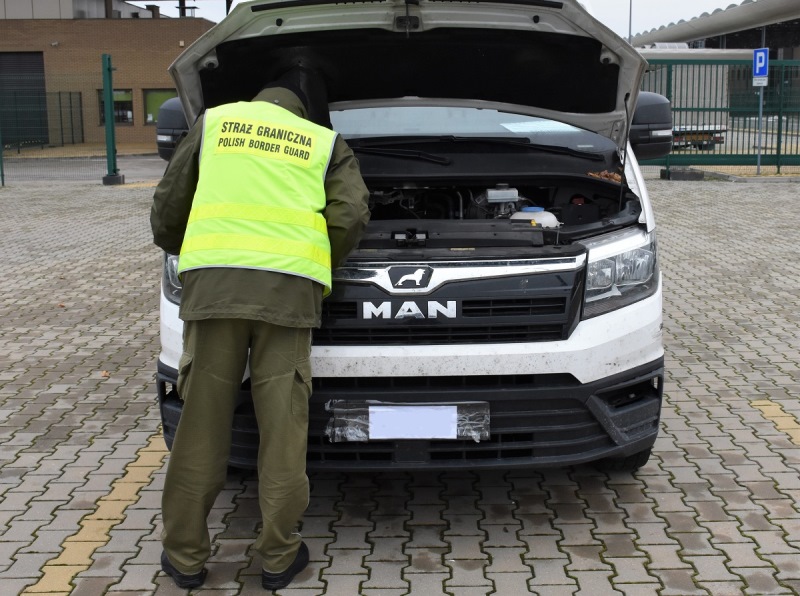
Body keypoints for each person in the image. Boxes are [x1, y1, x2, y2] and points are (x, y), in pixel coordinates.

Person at [150, 66, 370, 591]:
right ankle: (278, 557)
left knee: (201, 427)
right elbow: (351, 214)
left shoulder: (214, 123)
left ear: (257, 99)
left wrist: (197, 251)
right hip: (287, 295)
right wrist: (314, 264)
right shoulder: (323, 142)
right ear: (306, 111)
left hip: (214, 292)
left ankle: (185, 557)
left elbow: (168, 206)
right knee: (282, 431)